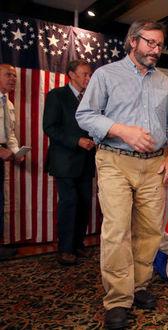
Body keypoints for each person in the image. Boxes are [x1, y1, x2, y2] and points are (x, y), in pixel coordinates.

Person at [75, 20, 168, 329]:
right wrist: (121, 130)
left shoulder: (165, 83)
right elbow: (84, 115)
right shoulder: (106, 75)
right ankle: (118, 300)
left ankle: (138, 287)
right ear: (133, 41)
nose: (156, 50)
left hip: (154, 165)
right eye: (150, 43)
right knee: (118, 230)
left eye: (160, 45)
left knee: (150, 231)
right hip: (114, 160)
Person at [43, 59, 96, 266]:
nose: (88, 78)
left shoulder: (90, 100)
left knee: (83, 203)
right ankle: (65, 248)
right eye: (84, 74)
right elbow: (50, 127)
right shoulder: (57, 96)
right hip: (64, 161)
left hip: (86, 161)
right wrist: (77, 141)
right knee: (69, 202)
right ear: (71, 75)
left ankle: (77, 244)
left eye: (89, 75)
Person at [0, 63, 25, 260]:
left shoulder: (7, 103)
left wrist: (16, 152)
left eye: (15, 76)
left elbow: (10, 135)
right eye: (8, 75)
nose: (13, 79)